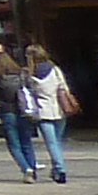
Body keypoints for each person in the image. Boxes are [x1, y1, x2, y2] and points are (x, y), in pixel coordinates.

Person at [0, 43, 43, 179]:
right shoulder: (21, 74)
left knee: (14, 144)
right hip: (24, 110)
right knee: (26, 141)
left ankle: (26, 168)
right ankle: (33, 167)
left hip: (7, 111)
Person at [27, 48, 74, 185]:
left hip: (43, 112)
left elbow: (29, 93)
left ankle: (60, 169)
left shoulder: (30, 73)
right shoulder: (55, 69)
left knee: (51, 143)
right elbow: (64, 88)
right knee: (57, 141)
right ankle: (56, 170)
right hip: (59, 109)